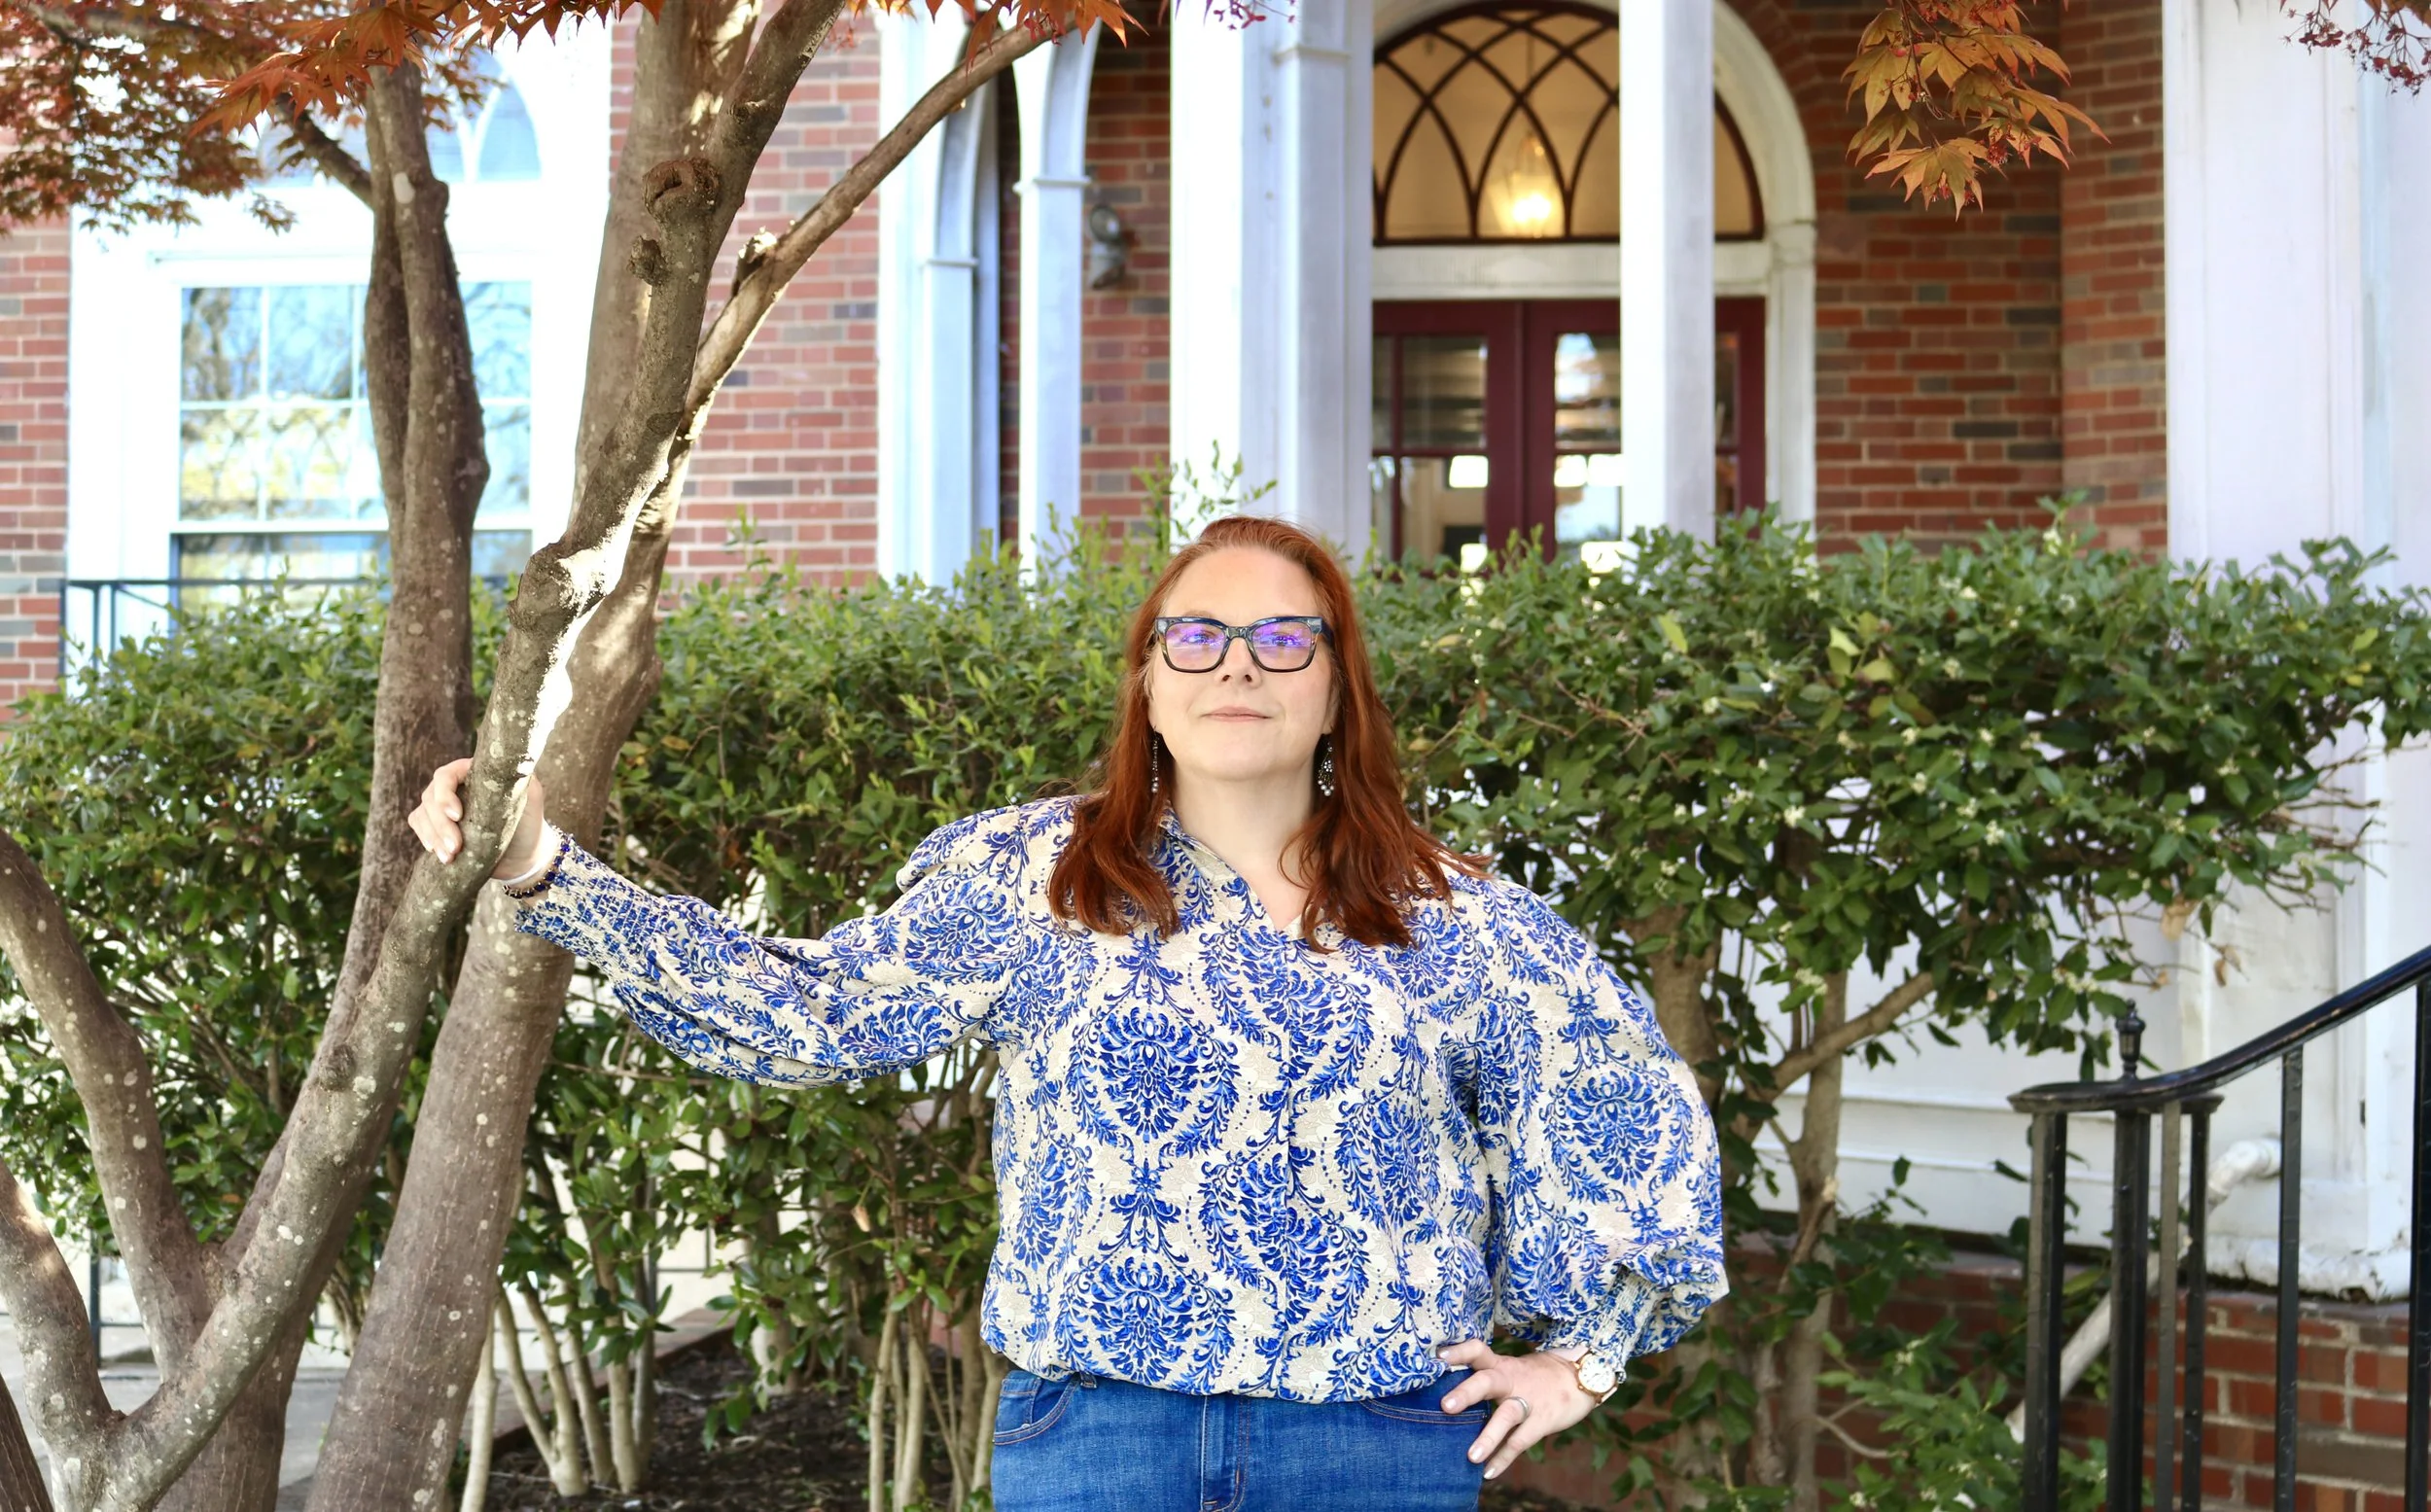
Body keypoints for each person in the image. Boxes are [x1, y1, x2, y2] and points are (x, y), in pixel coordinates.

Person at [411, 513, 1725, 1512]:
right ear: (1148, 681)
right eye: (1196, 636)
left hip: (1372, 1444)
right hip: (1100, 1443)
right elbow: (806, 1012)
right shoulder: (1037, 877)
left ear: (1337, 688)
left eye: (1285, 639)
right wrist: (541, 866)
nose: (1238, 665)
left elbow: (1619, 1098)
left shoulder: (1452, 914)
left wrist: (1588, 1357)